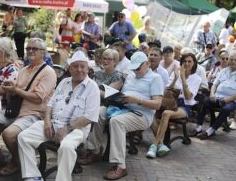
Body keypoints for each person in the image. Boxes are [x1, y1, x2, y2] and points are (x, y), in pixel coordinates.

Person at [78, 52, 164, 180]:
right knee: (98, 112)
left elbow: (157, 104)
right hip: (121, 108)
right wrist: (116, 95)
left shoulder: (155, 78)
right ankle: (95, 151)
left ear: (147, 64)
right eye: (133, 68)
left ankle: (120, 166)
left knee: (116, 122)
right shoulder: (130, 75)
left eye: (138, 68)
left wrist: (137, 100)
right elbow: (116, 89)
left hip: (141, 114)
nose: (135, 71)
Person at [17, 50, 100, 181]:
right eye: (75, 66)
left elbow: (89, 117)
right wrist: (47, 122)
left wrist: (66, 129)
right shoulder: (64, 82)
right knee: (23, 137)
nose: (79, 69)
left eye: (82, 66)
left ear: (88, 69)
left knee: (66, 147)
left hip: (76, 130)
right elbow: (50, 104)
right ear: (69, 68)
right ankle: (33, 176)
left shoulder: (92, 87)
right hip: (53, 123)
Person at [0, 38, 56, 176]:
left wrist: (16, 90)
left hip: (34, 114)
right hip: (16, 111)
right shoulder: (23, 69)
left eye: (34, 49)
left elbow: (37, 98)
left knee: (9, 134)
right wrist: (9, 91)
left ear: (43, 53)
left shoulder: (48, 72)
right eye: (28, 48)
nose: (30, 51)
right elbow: (15, 92)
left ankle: (16, 161)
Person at [146, 53, 201, 158]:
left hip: (184, 106)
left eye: (190, 61)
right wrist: (176, 78)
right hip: (171, 102)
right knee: (150, 112)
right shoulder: (176, 72)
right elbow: (167, 90)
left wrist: (183, 78)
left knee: (166, 114)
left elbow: (188, 97)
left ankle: (154, 145)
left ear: (194, 63)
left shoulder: (196, 78)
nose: (187, 63)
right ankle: (161, 145)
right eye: (185, 61)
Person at [193, 51, 236, 140]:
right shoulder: (223, 71)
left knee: (226, 109)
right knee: (204, 101)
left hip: (233, 101)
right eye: (231, 59)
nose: (233, 62)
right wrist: (212, 94)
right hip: (217, 97)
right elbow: (215, 85)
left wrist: (229, 99)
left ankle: (210, 131)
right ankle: (198, 128)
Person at [0, 37, 20, 168]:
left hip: (4, 108)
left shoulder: (12, 68)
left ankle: (0, 157)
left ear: (1, 52)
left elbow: (3, 89)